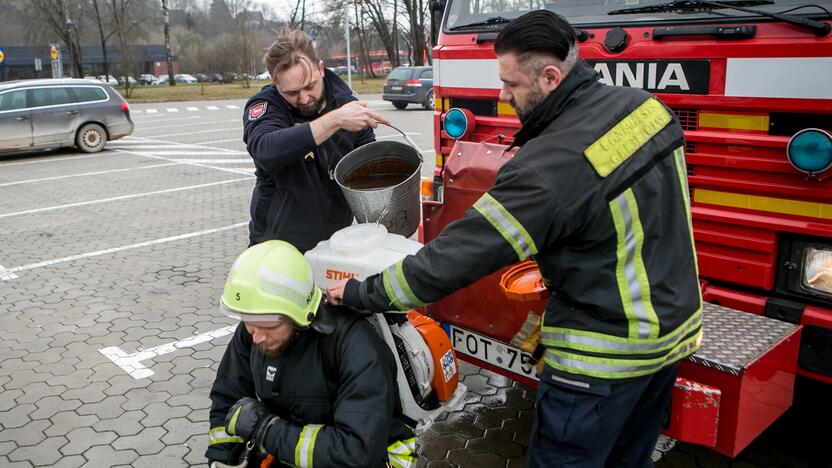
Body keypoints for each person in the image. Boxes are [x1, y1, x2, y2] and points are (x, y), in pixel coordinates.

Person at [327, 10, 703, 468]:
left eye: (511, 84)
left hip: (601, 361)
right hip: (672, 336)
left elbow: (451, 259)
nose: (502, 96)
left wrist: (361, 292)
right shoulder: (645, 108)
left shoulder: (549, 167)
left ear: (549, 76)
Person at [205, 241, 416, 468]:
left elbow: (357, 452)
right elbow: (228, 398)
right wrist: (221, 458)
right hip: (293, 448)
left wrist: (266, 430)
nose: (256, 337)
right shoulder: (257, 325)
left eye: (268, 327)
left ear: (298, 315)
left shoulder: (354, 345)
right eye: (249, 324)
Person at [243, 28, 388, 251]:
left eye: (310, 86)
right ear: (276, 84)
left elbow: (368, 166)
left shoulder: (345, 102)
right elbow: (265, 150)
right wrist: (335, 120)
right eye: (291, 93)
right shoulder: (266, 106)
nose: (303, 98)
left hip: (336, 244)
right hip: (277, 247)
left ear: (320, 68)